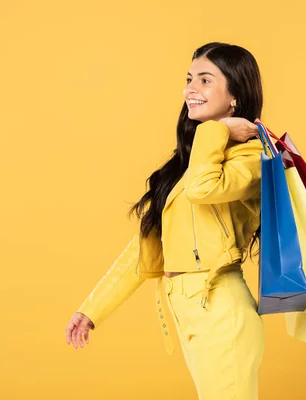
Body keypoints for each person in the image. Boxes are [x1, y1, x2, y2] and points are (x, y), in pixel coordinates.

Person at [65, 42, 266, 400]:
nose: (191, 89)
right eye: (189, 79)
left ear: (235, 94)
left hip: (220, 310)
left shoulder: (250, 156)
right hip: (188, 311)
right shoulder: (189, 162)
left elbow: (205, 190)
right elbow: (145, 248)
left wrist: (214, 131)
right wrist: (91, 309)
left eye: (206, 80)